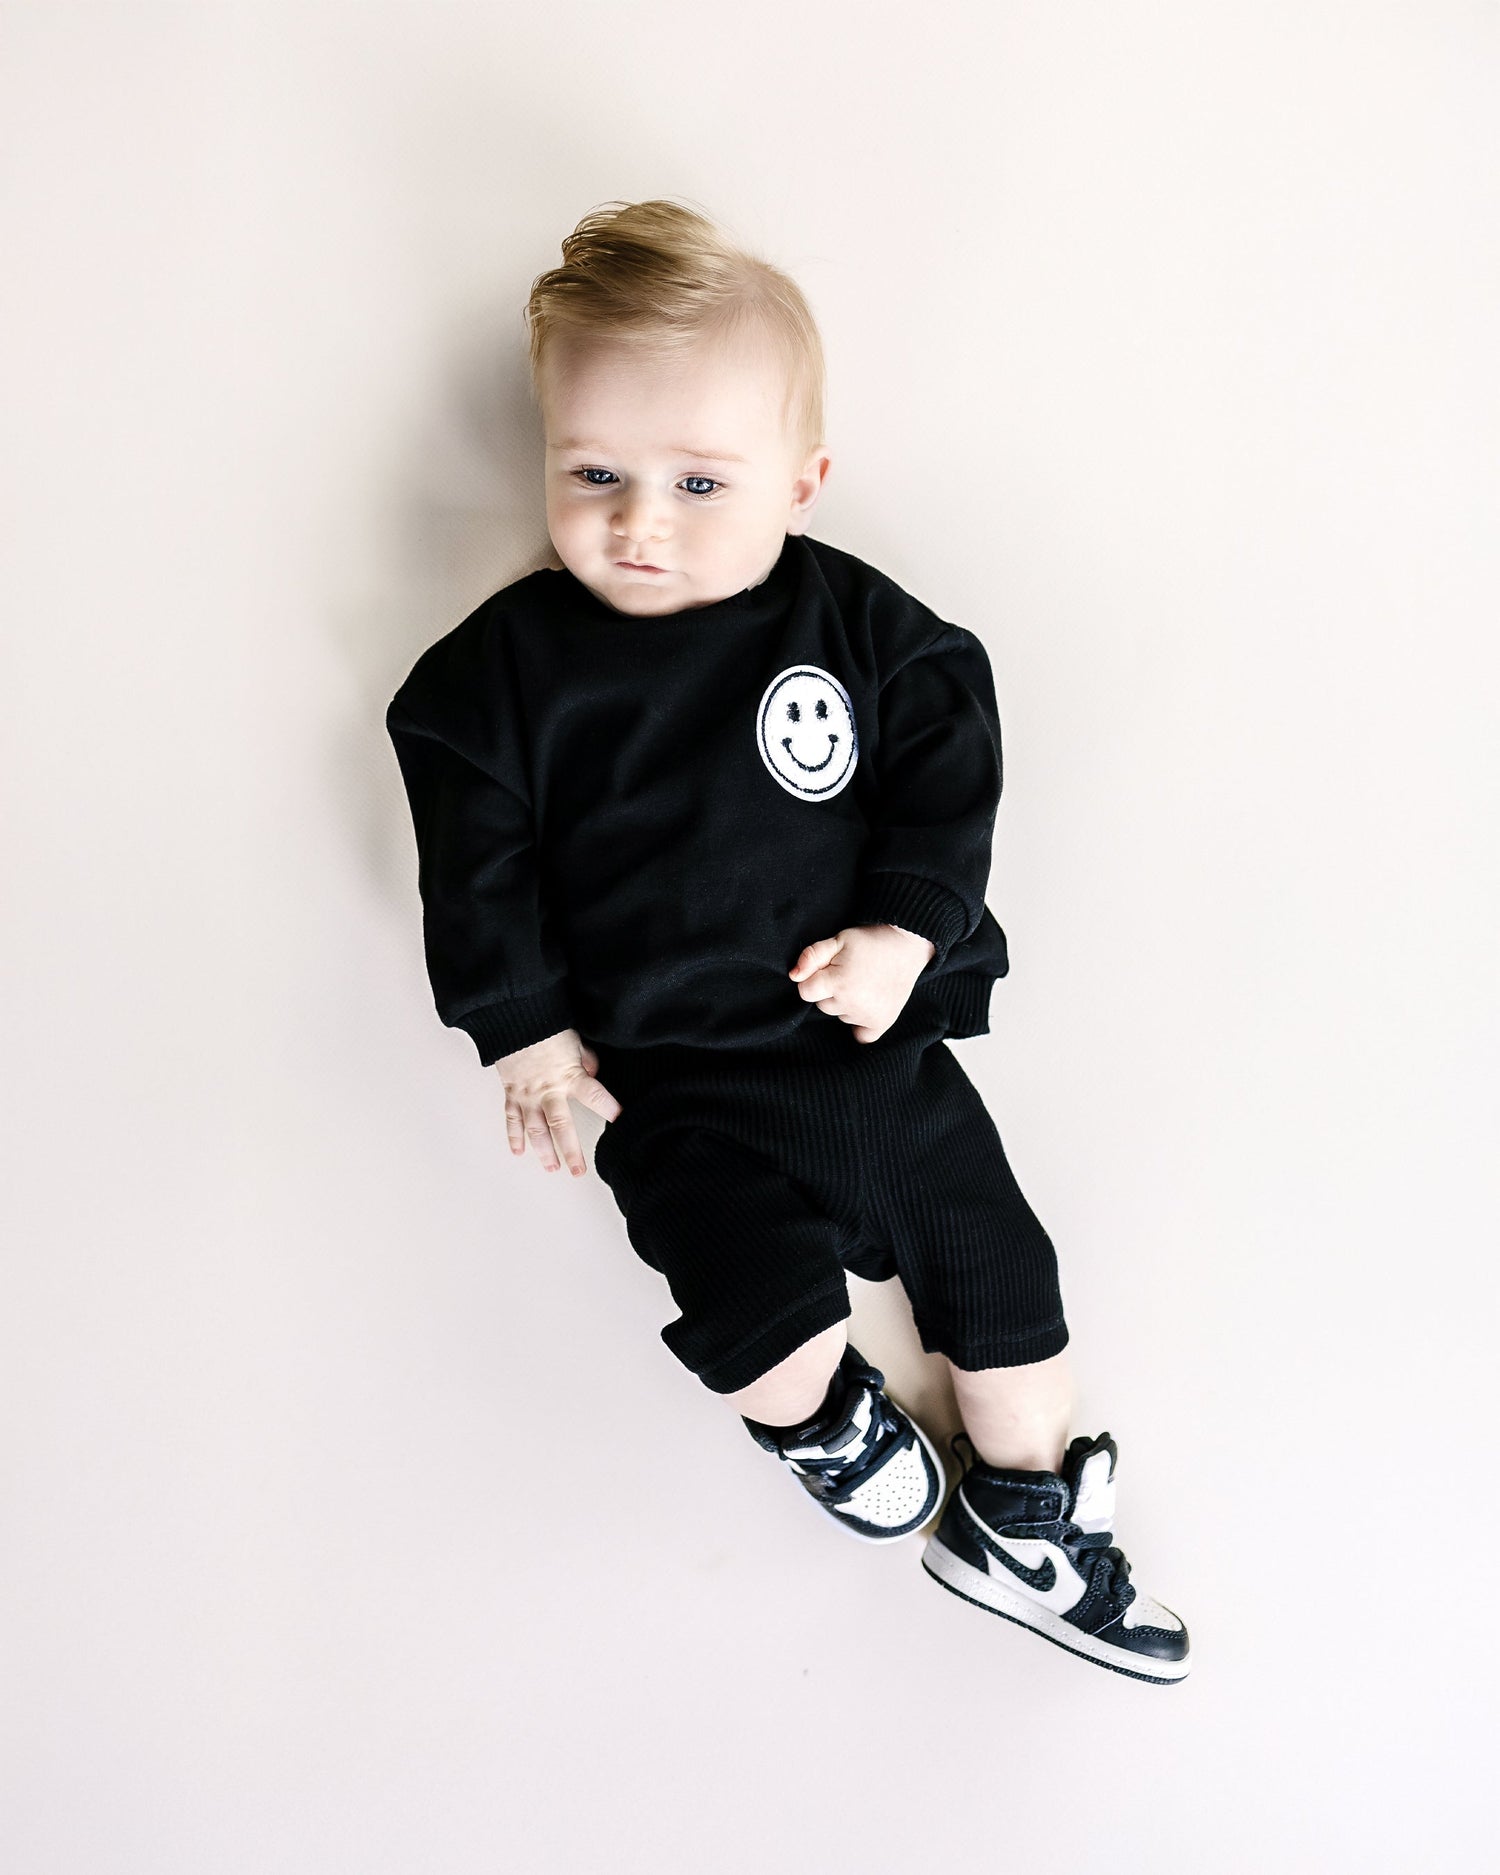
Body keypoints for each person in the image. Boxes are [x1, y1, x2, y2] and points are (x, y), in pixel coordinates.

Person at [385, 198, 1190, 1684]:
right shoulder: (506, 673)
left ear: (803, 483)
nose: (641, 520)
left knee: (1000, 1282)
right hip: (668, 1090)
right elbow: (473, 860)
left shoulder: (848, 627)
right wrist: (525, 1031)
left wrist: (910, 928)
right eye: (595, 473)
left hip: (865, 1053)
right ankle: (824, 1422)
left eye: (701, 481)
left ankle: (1026, 1518)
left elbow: (949, 749)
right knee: (754, 1316)